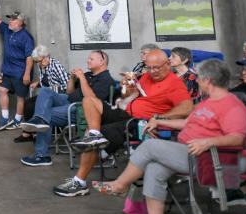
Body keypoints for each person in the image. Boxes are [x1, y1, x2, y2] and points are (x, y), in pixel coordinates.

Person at [90, 59, 246, 214]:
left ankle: (120, 185)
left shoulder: (232, 105)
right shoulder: (207, 102)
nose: (196, 81)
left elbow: (237, 137)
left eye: (199, 78)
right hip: (189, 151)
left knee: (150, 146)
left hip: (210, 159)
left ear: (208, 80)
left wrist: (207, 142)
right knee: (154, 169)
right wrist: (160, 121)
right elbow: (187, 123)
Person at [55, 49, 192, 197]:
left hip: (139, 123)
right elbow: (129, 96)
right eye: (149, 67)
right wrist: (128, 87)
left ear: (168, 64)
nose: (152, 71)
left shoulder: (174, 83)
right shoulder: (146, 76)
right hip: (126, 114)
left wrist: (160, 118)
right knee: (89, 101)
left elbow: (187, 107)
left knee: (93, 136)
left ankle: (79, 181)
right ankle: (94, 135)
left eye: (156, 67)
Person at [19, 50, 113, 167]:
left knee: (46, 115)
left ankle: (42, 156)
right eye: (88, 58)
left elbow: (91, 99)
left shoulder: (106, 79)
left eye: (91, 59)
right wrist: (72, 79)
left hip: (80, 109)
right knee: (45, 91)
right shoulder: (88, 75)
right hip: (68, 100)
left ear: (102, 61)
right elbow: (70, 91)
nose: (87, 60)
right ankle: (39, 119)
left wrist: (82, 79)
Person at [0, 3, 34, 130]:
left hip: (20, 72)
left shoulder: (26, 37)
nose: (10, 21)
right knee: (2, 91)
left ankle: (17, 120)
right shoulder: (7, 29)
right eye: (10, 19)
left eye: (13, 19)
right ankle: (5, 118)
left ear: (20, 22)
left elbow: (29, 57)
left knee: (20, 97)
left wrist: (27, 73)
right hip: (6, 70)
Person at [12, 46, 69, 144]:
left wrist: (55, 89)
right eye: (36, 62)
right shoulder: (42, 65)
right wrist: (38, 83)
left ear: (46, 57)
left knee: (32, 106)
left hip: (57, 96)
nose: (38, 64)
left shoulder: (56, 66)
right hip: (46, 94)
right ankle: (28, 134)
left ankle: (34, 134)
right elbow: (46, 80)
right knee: (27, 103)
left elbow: (67, 84)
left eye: (39, 61)